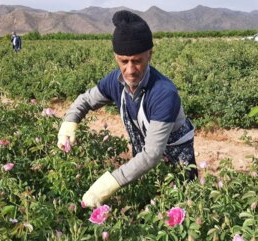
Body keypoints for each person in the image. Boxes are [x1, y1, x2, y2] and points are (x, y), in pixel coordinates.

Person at [57, 10, 198, 208]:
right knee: (145, 207)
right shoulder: (114, 81)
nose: (130, 70)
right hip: (143, 161)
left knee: (181, 208)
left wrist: (107, 185)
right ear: (116, 57)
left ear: (150, 54)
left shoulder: (164, 93)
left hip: (175, 163)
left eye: (137, 61)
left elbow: (152, 154)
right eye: (124, 61)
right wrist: (70, 121)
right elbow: (86, 100)